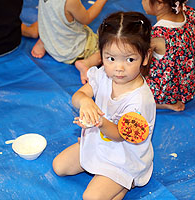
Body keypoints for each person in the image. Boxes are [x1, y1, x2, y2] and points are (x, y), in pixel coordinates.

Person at [52, 11, 156, 199]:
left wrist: (98, 121)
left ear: (146, 57)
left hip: (124, 155)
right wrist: (85, 101)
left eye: (130, 59)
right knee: (59, 166)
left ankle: (128, 181)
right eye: (111, 58)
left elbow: (118, 135)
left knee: (90, 198)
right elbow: (79, 95)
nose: (119, 68)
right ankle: (112, 178)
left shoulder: (140, 100)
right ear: (101, 55)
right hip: (99, 141)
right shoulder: (103, 75)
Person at [22, 0, 108, 84]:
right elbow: (87, 18)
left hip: (50, 41)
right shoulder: (70, 2)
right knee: (106, 50)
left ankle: (43, 41)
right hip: (70, 50)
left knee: (53, 15)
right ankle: (86, 63)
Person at [142, 0, 195, 111]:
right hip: (187, 87)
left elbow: (143, 65)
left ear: (159, 3)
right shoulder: (190, 13)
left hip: (165, 93)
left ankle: (164, 105)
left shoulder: (158, 34)